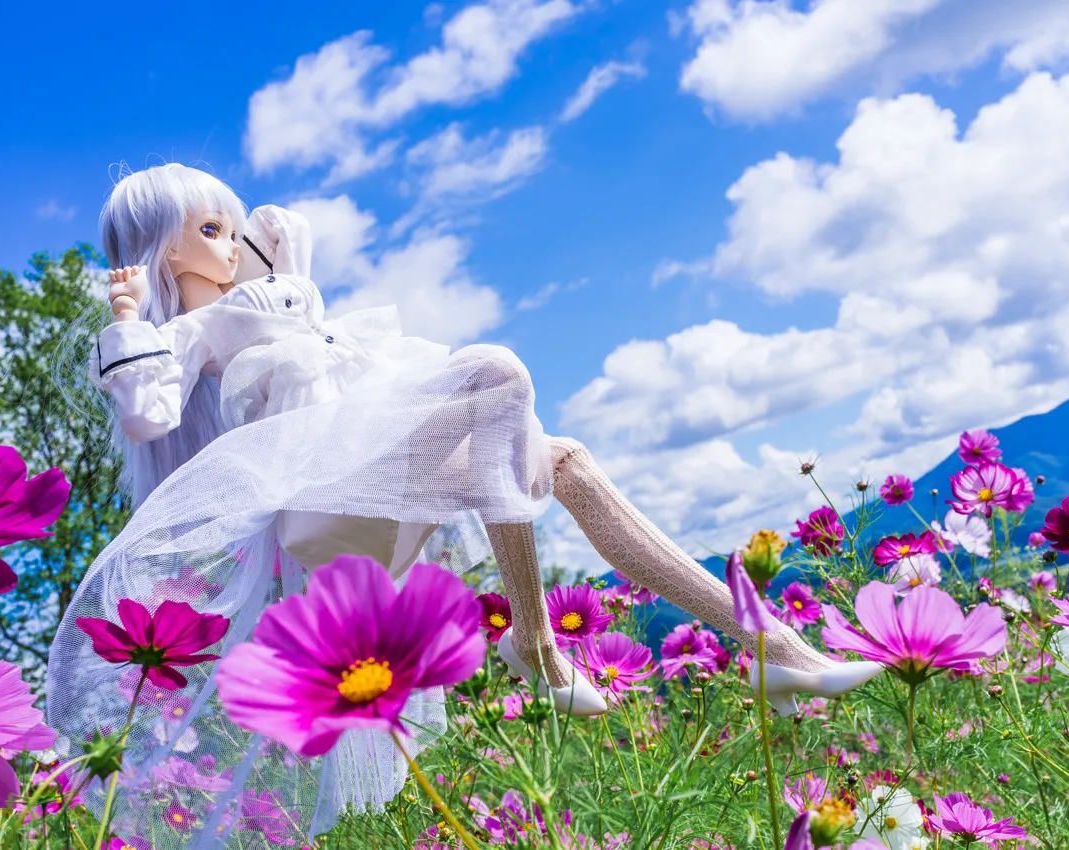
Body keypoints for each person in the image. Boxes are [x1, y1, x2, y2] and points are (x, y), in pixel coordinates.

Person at [48, 163, 880, 848]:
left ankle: (770, 646)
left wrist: (275, 253)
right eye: (210, 229)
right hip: (331, 481)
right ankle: (539, 646)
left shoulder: (263, 291)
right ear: (164, 249)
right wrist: (126, 317)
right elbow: (147, 413)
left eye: (230, 228)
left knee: (565, 463)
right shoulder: (191, 333)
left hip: (366, 450)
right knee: (496, 373)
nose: (230, 244)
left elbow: (297, 293)